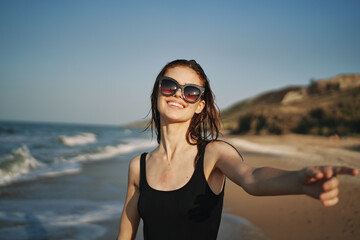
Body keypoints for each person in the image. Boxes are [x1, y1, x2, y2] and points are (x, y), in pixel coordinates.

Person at [117, 59, 358, 240]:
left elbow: (251, 177)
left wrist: (298, 181)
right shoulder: (138, 167)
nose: (179, 94)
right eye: (169, 85)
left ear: (200, 105)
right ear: (157, 91)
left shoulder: (214, 154)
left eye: (190, 91)